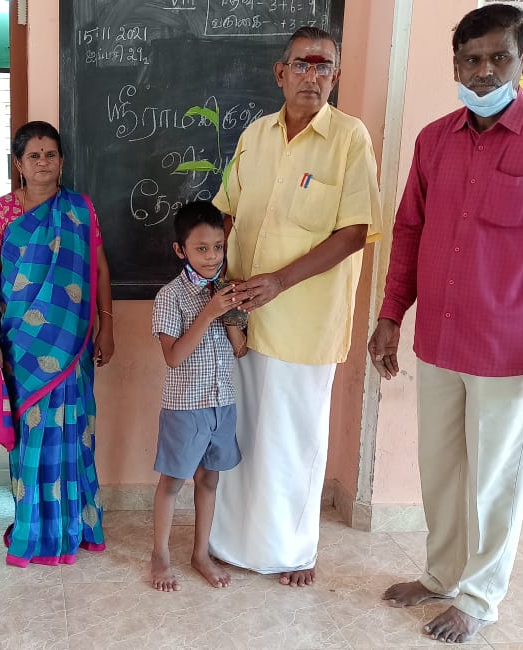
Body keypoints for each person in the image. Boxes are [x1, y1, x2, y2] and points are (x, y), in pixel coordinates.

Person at [368, 5, 523, 643]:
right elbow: (410, 231)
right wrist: (392, 312)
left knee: (494, 480)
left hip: (511, 347)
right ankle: (442, 574)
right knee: (440, 471)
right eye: (470, 59)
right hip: (439, 339)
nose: (482, 71)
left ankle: (478, 596)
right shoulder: (434, 139)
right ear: (455, 65)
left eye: (498, 57)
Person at [209, 25, 382, 586]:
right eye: (302, 65)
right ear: (280, 73)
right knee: (241, 435)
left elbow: (355, 230)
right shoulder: (255, 135)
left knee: (292, 442)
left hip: (304, 322)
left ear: (335, 76)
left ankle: (293, 551)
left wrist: (280, 281)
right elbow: (227, 211)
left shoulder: (350, 138)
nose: (313, 75)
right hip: (242, 318)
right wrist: (216, 279)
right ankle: (230, 542)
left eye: (324, 66)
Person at [0, 120, 115, 567]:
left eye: (50, 154)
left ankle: (72, 526)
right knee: (32, 435)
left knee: (72, 434)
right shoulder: (2, 213)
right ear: (18, 164)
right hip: (22, 346)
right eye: (33, 155)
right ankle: (33, 526)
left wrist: (106, 325)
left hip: (72, 342)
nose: (42, 162)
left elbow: (99, 269)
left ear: (62, 161)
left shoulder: (80, 209)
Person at [149, 201, 248, 592]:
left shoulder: (227, 290)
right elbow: (173, 358)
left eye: (218, 247)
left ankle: (200, 553)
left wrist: (232, 316)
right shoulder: (170, 297)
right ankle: (160, 555)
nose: (212, 257)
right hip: (185, 407)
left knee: (209, 480)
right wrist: (207, 313)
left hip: (222, 402)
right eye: (201, 248)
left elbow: (239, 350)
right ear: (181, 250)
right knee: (173, 482)